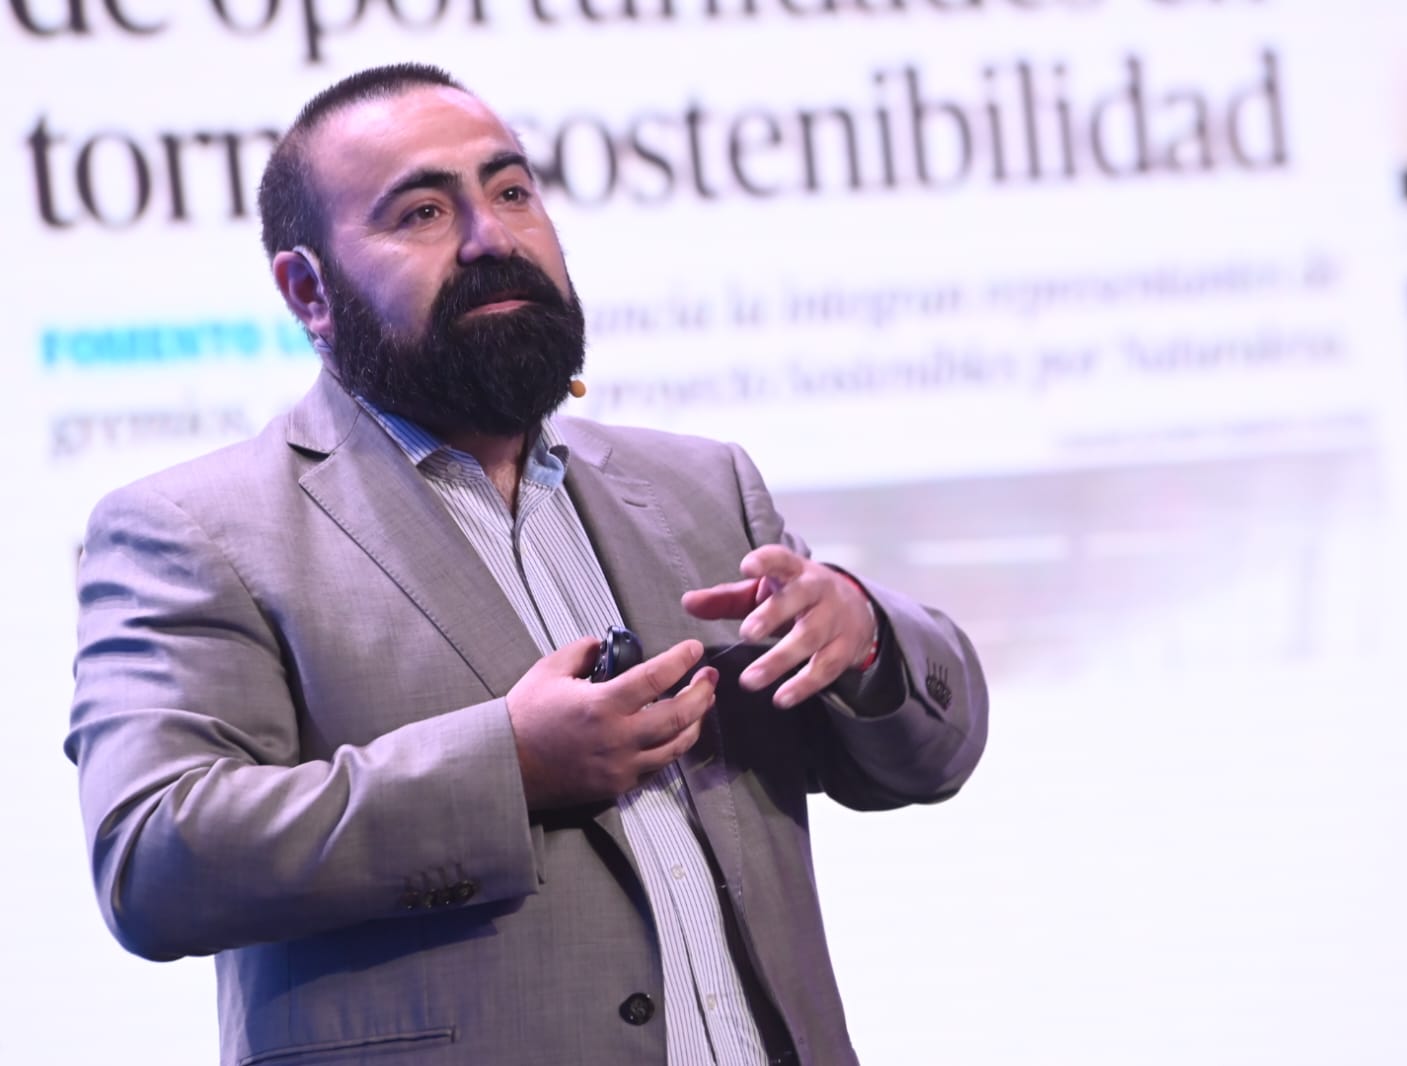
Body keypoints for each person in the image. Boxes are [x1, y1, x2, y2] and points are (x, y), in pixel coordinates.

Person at [65, 64, 987, 1066]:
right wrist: (507, 768)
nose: (490, 238)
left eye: (511, 191)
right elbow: (153, 861)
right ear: (308, 290)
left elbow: (931, 757)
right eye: (421, 212)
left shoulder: (699, 486)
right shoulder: (193, 530)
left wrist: (865, 636)